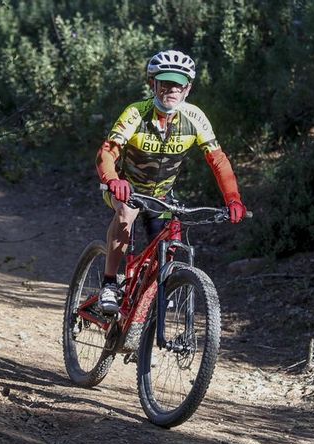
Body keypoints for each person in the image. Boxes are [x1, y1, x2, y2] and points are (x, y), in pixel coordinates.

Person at [96, 49, 247, 316]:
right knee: (125, 215)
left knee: (167, 241)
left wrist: (233, 198)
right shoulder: (136, 113)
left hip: (162, 194)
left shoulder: (195, 117)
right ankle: (109, 284)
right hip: (127, 188)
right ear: (152, 84)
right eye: (165, 83)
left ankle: (150, 293)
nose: (172, 90)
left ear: (188, 88)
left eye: (179, 84)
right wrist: (113, 180)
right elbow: (107, 152)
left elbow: (218, 161)